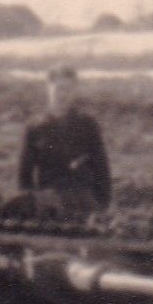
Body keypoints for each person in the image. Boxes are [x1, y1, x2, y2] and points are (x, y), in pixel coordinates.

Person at [17, 66, 112, 215]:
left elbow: (102, 169)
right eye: (59, 89)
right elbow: (24, 174)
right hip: (49, 201)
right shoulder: (35, 127)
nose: (63, 95)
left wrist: (103, 205)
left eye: (68, 89)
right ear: (48, 89)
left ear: (75, 92)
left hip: (82, 200)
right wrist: (30, 203)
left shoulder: (88, 125)